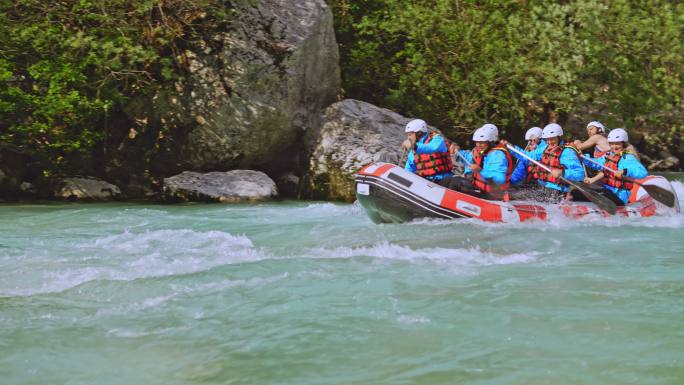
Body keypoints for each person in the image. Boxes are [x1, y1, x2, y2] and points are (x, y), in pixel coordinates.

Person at [508, 123, 586, 201]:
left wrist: (562, 173)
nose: (549, 142)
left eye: (552, 139)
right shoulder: (545, 148)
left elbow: (580, 174)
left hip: (558, 192)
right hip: (543, 187)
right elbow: (528, 157)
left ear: (559, 137)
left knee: (515, 195)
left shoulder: (567, 152)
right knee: (512, 190)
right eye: (547, 139)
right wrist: (512, 148)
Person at [443, 124, 513, 200]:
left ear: (490, 142)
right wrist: (456, 153)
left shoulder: (498, 156)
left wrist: (480, 170)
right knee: (448, 179)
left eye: (482, 142)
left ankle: (449, 202)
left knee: (456, 182)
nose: (478, 145)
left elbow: (499, 179)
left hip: (492, 194)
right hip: (478, 187)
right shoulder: (479, 151)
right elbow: (468, 159)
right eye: (477, 142)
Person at [582, 128, 647, 205]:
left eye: (617, 144)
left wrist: (625, 171)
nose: (614, 146)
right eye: (612, 144)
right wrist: (584, 158)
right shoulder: (610, 155)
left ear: (623, 144)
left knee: (602, 192)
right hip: (607, 191)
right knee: (578, 192)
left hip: (619, 196)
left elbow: (642, 172)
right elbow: (597, 163)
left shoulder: (627, 158)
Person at [574, 120, 639, 158]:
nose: (589, 132)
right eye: (587, 131)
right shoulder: (605, 138)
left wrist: (577, 141)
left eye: (591, 129)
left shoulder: (596, 137)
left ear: (599, 129)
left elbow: (579, 147)